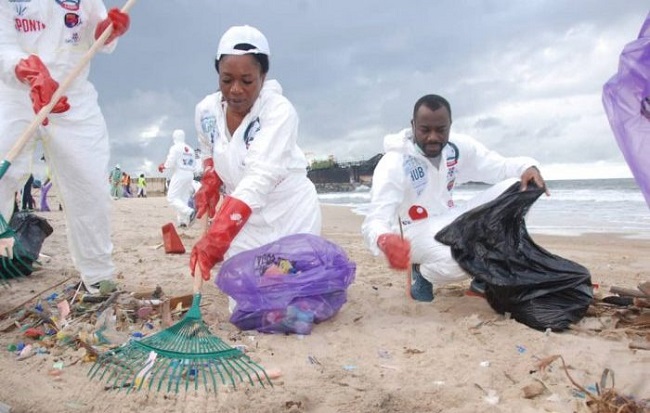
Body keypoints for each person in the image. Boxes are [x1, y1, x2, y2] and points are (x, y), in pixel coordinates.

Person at [361, 94, 548, 302]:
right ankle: (423, 274)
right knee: (464, 259)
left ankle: (481, 281)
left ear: (450, 125)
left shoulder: (456, 148)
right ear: (413, 126)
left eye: (440, 130)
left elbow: (498, 166)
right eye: (425, 130)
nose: (433, 137)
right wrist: (384, 240)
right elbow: (375, 219)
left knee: (519, 188)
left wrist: (527, 167)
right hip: (414, 231)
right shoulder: (394, 163)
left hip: (450, 218)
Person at [0, 2, 130, 292]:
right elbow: (3, 44)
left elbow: (96, 36)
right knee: (3, 176)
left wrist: (106, 31)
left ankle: (98, 277)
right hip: (14, 94)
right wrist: (27, 71)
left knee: (89, 186)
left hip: (72, 96)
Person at [189, 25, 322, 306]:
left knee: (292, 298)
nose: (235, 90)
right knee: (245, 303)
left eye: (247, 81)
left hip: (289, 213)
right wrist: (211, 179)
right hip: (244, 222)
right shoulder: (206, 111)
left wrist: (218, 237)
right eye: (227, 80)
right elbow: (208, 149)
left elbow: (259, 178)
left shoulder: (278, 112)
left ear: (263, 76)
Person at [158, 129, 197, 227]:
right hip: (190, 174)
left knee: (171, 197)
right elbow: (194, 164)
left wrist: (164, 166)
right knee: (183, 198)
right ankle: (183, 222)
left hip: (180, 173)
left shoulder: (175, 148)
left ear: (174, 137)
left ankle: (190, 212)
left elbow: (171, 161)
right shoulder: (191, 149)